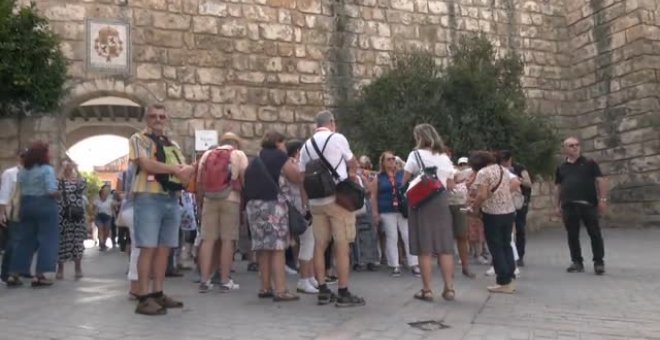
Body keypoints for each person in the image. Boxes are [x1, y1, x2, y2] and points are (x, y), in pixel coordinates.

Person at [129, 104, 195, 315]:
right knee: (147, 247)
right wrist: (176, 169)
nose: (158, 119)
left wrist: (190, 168)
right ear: (146, 119)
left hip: (170, 197)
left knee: (164, 248)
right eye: (153, 116)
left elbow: (184, 169)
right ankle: (142, 296)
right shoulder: (138, 139)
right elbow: (146, 164)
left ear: (166, 119)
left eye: (162, 116)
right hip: (148, 195)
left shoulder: (171, 143)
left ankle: (158, 293)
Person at [298, 110, 365, 308]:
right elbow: (352, 162)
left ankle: (323, 290)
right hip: (338, 200)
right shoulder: (337, 138)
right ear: (332, 123)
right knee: (342, 245)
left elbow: (303, 177)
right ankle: (343, 291)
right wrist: (352, 177)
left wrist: (307, 203)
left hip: (316, 201)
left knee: (320, 244)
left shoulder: (306, 146)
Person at [244, 131, 301, 302]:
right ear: (278, 142)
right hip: (273, 206)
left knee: (263, 248)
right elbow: (295, 177)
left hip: (254, 206)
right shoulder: (279, 157)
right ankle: (281, 290)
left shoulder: (256, 158)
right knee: (277, 248)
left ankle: (265, 287)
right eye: (283, 143)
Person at [402, 124, 456, 302]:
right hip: (441, 202)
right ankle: (449, 288)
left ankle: (427, 290)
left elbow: (406, 180)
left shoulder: (415, 155)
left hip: (422, 202)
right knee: (444, 246)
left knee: (424, 247)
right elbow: (451, 183)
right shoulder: (444, 157)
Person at [197, 132, 247, 293]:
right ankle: (225, 280)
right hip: (231, 199)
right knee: (228, 240)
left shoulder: (207, 154)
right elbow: (244, 179)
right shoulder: (238, 154)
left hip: (209, 200)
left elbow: (199, 181)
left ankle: (204, 280)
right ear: (236, 144)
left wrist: (200, 202)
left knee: (208, 239)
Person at [5, 141, 61, 287]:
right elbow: (51, 190)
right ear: (43, 154)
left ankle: (14, 274)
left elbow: (21, 189)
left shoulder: (23, 170)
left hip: (26, 205)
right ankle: (41, 275)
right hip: (45, 204)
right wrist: (59, 193)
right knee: (47, 239)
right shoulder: (46, 169)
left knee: (24, 240)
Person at [555, 137, 607, 275]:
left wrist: (602, 199)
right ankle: (577, 261)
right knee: (572, 235)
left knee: (594, 233)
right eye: (571, 145)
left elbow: (600, 180)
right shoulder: (561, 168)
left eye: (577, 145)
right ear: (565, 149)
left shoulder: (590, 163)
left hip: (588, 204)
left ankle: (599, 262)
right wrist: (557, 205)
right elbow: (559, 187)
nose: (575, 147)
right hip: (569, 206)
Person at [468, 150, 517, 294]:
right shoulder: (503, 169)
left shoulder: (483, 173)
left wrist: (474, 206)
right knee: (506, 244)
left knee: (496, 247)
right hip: (508, 211)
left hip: (493, 213)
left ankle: (503, 281)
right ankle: (510, 274)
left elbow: (482, 194)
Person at [372, 151, 420, 277]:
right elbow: (373, 196)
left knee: (407, 235)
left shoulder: (401, 174)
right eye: (388, 159)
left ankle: (414, 264)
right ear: (383, 162)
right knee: (391, 237)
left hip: (402, 209)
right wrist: (375, 212)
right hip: (387, 209)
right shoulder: (379, 177)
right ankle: (394, 265)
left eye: (393, 158)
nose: (392, 161)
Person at [499, 150, 532, 267]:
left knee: (520, 228)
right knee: (505, 229)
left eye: (506, 160)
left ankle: (520, 255)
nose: (504, 162)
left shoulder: (519, 168)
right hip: (504, 202)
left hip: (519, 202)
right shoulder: (499, 169)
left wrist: (517, 179)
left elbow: (528, 183)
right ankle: (507, 255)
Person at [56, 159, 87, 279]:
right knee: (61, 242)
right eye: (65, 164)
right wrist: (61, 169)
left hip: (76, 214)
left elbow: (83, 184)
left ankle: (78, 268)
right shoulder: (60, 180)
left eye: (69, 164)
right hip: (62, 214)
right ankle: (60, 269)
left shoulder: (77, 180)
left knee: (77, 241)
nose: (68, 167)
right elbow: (55, 185)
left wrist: (77, 169)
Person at [0, 149, 26, 284]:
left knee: (23, 243)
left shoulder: (30, 173)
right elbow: (4, 195)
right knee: (13, 242)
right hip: (13, 211)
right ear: (18, 157)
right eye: (23, 155)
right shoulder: (10, 173)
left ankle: (18, 270)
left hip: (27, 213)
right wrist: (2, 213)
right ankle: (6, 273)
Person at [93, 184, 114, 251]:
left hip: (108, 217)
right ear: (101, 194)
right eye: (104, 193)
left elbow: (113, 208)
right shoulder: (97, 200)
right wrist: (94, 214)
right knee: (100, 229)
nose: (105, 194)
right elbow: (93, 208)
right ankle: (101, 243)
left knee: (107, 231)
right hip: (99, 217)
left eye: (106, 193)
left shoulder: (110, 200)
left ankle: (104, 242)